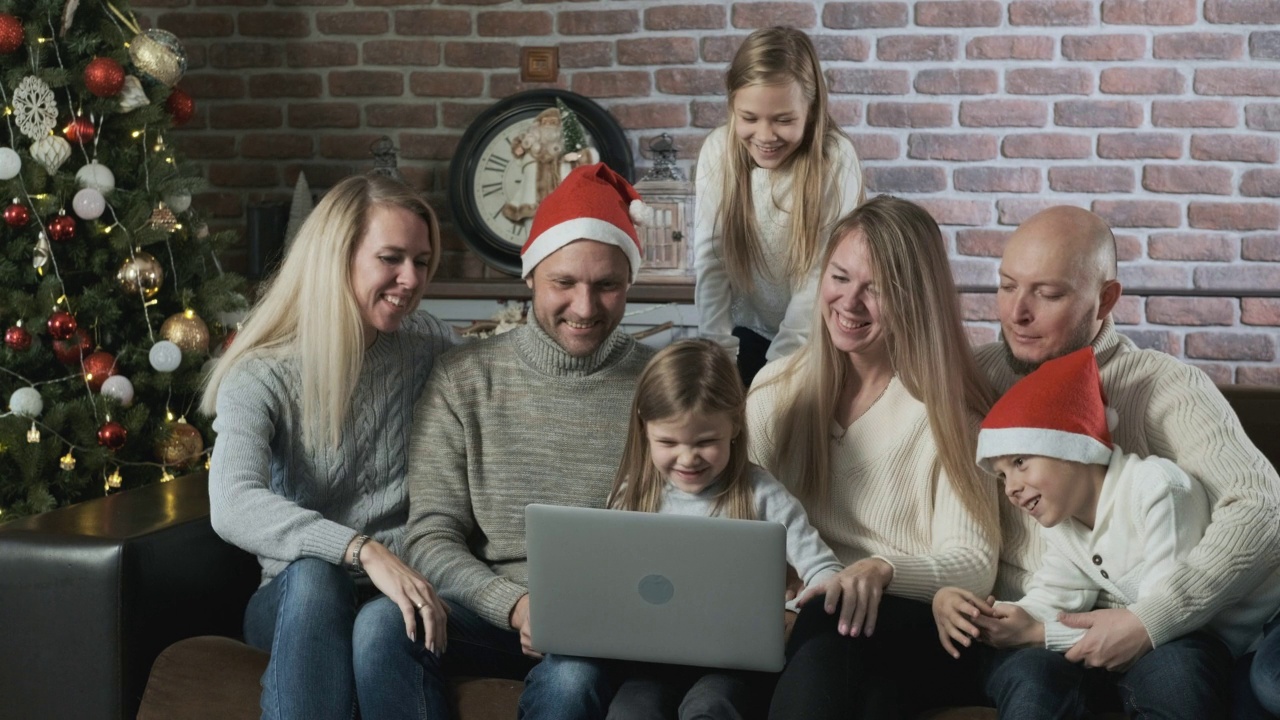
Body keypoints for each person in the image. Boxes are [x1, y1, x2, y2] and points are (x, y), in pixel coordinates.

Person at [362, 162, 657, 720]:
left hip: (606, 624)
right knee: (381, 624)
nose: (586, 308)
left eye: (607, 286)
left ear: (629, 283)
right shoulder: (462, 379)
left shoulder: (663, 384)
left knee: (572, 678)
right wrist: (515, 605)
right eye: (564, 283)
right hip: (491, 608)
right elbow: (430, 534)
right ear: (529, 278)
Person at [962, 206, 1280, 711]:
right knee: (1032, 691)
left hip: (1163, 630)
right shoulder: (967, 379)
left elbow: (1261, 507)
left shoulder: (1166, 387)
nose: (1016, 313)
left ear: (1105, 299)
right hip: (1038, 627)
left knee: (1178, 679)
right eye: (1005, 286)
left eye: (1047, 294)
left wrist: (1149, 621)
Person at [201, 174, 458, 719]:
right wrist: (362, 549)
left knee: (380, 625)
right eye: (391, 258)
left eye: (421, 261)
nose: (410, 280)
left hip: (399, 596)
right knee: (317, 577)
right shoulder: (262, 372)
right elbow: (232, 503)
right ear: (335, 257)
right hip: (296, 603)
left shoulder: (432, 347)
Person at [746, 195, 1001, 719]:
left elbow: (974, 564)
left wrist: (881, 569)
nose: (849, 302)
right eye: (839, 278)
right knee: (867, 692)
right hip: (813, 623)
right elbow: (740, 518)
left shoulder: (949, 412)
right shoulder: (775, 389)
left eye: (876, 289)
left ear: (915, 300)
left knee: (828, 615)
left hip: (918, 621)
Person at [935, 346, 1280, 719]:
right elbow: (1051, 599)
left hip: (1251, 634)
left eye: (1020, 462)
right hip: (1205, 642)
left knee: (1183, 679)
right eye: (1002, 475)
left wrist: (1040, 634)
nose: (1010, 488)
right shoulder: (1064, 524)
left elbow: (1156, 620)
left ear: (1073, 447)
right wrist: (983, 613)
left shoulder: (1157, 487)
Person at [603, 338, 846, 720]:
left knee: (712, 707)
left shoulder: (762, 494)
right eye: (668, 442)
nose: (688, 458)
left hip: (735, 663)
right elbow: (610, 583)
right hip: (651, 659)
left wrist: (791, 613)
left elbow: (827, 573)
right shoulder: (631, 495)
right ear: (644, 429)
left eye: (706, 441)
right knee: (630, 711)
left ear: (734, 425)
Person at [695, 26, 865, 386]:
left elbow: (822, 270)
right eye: (750, 118)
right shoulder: (717, 151)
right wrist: (719, 355)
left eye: (784, 120)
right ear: (732, 106)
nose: (766, 136)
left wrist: (777, 372)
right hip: (749, 330)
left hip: (820, 335)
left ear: (811, 108)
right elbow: (712, 259)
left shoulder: (835, 159)